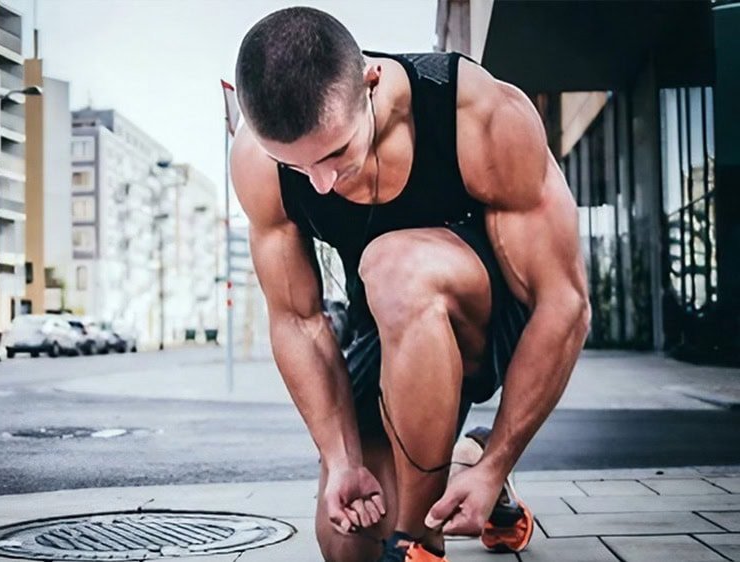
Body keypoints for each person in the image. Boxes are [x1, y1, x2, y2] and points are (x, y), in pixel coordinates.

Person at [229, 7, 590, 562]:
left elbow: (564, 302)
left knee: (394, 263)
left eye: (334, 154)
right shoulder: (256, 161)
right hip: (388, 332)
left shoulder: (477, 112)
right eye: (297, 167)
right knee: (347, 542)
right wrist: (342, 459)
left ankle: (418, 544)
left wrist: (501, 462)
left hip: (492, 322)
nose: (319, 184)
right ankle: (458, 463)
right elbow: (297, 320)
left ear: (371, 83)